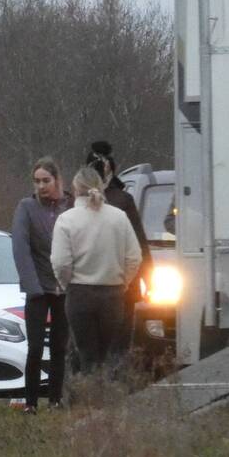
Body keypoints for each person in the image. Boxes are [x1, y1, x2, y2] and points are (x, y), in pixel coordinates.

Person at [51, 167, 142, 373]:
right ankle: (110, 399)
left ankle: (89, 399)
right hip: (112, 294)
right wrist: (123, 282)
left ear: (75, 189)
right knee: (109, 354)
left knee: (86, 355)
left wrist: (68, 284)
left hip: (79, 294)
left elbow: (60, 262)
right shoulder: (119, 217)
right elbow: (134, 257)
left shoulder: (67, 220)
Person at [11, 157, 72, 414]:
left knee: (60, 346)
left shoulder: (71, 206)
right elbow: (20, 247)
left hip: (65, 287)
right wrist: (33, 286)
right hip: (38, 288)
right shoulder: (27, 207)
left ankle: (56, 399)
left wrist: (72, 281)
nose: (41, 186)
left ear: (57, 180)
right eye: (37, 181)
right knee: (35, 347)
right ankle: (31, 402)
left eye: (46, 180)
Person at [85, 141, 153, 351]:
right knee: (118, 346)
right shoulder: (123, 200)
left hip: (88, 286)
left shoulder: (79, 203)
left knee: (92, 348)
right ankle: (115, 381)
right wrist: (147, 278)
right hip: (122, 285)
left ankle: (93, 382)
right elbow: (139, 244)